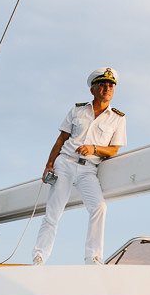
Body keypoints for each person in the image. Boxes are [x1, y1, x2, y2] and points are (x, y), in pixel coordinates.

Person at [32, 67, 127, 266]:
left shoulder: (118, 118)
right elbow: (61, 139)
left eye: (111, 85)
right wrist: (49, 165)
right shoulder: (77, 110)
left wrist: (94, 148)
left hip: (88, 169)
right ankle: (39, 256)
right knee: (54, 211)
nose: (107, 88)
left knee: (99, 207)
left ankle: (92, 257)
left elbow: (113, 150)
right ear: (93, 89)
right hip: (65, 164)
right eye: (102, 84)